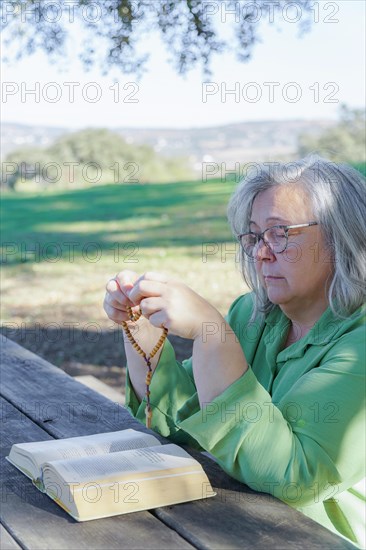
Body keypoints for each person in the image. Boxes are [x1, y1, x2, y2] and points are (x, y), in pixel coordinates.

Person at [104, 154, 365, 547]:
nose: (260, 252)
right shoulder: (252, 314)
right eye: (255, 235)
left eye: (280, 233)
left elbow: (296, 478)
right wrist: (139, 325)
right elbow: (180, 423)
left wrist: (212, 335)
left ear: (342, 236)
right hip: (231, 528)